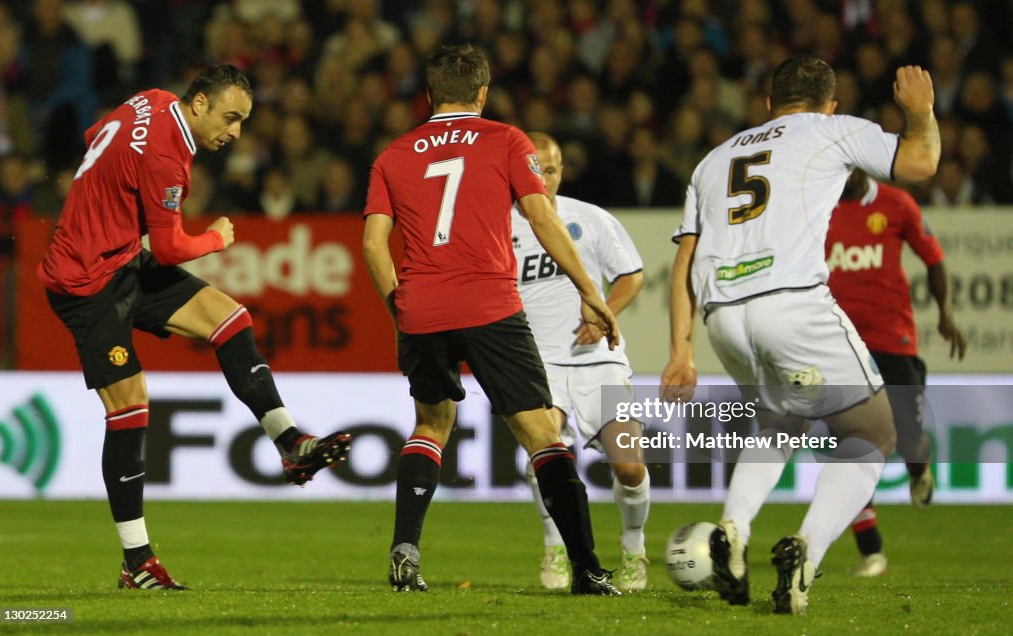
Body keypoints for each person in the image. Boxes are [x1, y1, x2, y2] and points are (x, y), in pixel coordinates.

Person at [38, 65, 352, 591]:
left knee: (229, 319)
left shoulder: (152, 100)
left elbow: (97, 136)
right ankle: (136, 561)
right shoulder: (168, 158)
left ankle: (290, 443)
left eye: (244, 121)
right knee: (130, 406)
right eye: (231, 118)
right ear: (201, 103)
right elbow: (169, 247)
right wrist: (216, 238)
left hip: (119, 259)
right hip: (85, 282)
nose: (235, 133)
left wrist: (108, 198)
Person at [660, 55, 940, 614]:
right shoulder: (833, 130)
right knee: (872, 431)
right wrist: (922, 112)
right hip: (790, 303)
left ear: (768, 103)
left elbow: (684, 260)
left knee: (778, 420)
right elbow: (921, 163)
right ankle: (805, 554)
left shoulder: (714, 160)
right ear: (830, 104)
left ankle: (733, 533)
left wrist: (681, 348)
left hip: (724, 316)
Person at [362, 44, 621, 595]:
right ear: (482, 93)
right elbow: (541, 216)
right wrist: (589, 289)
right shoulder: (506, 139)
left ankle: (405, 553)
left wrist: (397, 304)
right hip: (490, 305)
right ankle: (587, 569)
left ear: (428, 94)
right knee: (542, 433)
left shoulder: (393, 154)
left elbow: (372, 243)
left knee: (431, 426)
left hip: (423, 307)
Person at [512, 132, 651, 591]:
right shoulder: (501, 225)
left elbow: (632, 276)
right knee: (543, 460)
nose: (543, 179)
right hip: (539, 365)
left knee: (629, 466)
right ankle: (555, 546)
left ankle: (635, 550)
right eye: (535, 169)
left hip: (600, 362)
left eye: (550, 169)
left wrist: (604, 310)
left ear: (561, 171)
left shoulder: (590, 220)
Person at [827, 168, 966, 577]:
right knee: (851, 447)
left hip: (893, 338)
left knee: (908, 435)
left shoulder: (896, 204)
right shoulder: (816, 204)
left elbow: (933, 259)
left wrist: (945, 314)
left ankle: (918, 465)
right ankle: (871, 552)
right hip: (838, 344)